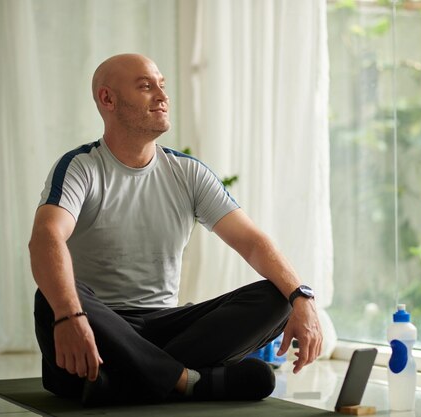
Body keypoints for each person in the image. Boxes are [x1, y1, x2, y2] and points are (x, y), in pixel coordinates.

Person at [28, 53, 322, 406]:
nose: (162, 96)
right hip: (100, 327)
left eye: (163, 86)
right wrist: (70, 315)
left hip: (166, 326)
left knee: (278, 296)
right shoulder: (81, 167)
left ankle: (133, 381)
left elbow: (253, 243)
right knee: (51, 297)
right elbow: (47, 237)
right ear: (108, 99)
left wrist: (302, 297)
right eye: (146, 86)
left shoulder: (187, 173)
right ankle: (184, 380)